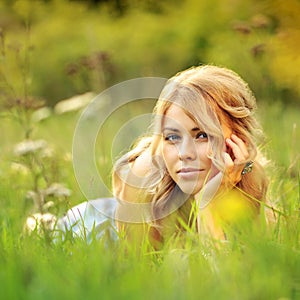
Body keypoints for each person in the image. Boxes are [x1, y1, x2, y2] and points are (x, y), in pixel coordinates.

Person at [57, 65, 269, 248]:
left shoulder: (249, 175)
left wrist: (209, 201)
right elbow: (142, 277)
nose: (184, 153)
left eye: (202, 135)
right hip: (93, 228)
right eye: (172, 137)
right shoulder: (142, 177)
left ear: (237, 137)